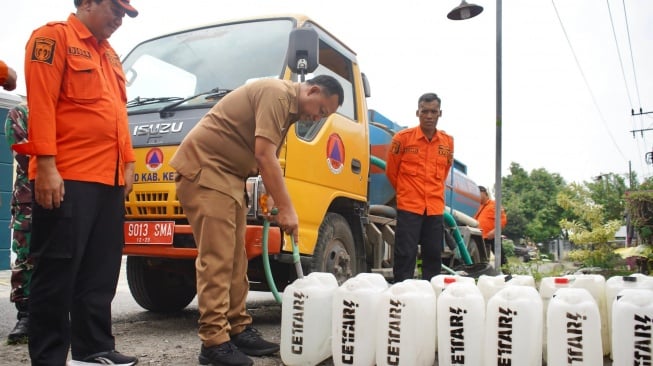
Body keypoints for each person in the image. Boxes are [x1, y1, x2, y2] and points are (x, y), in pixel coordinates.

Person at [169, 74, 344, 366]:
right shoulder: (277, 94)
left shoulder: (289, 109)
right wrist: (288, 210)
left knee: (237, 259)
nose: (316, 118)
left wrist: (273, 197)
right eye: (320, 110)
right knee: (218, 259)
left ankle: (238, 328)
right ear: (312, 90)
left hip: (229, 178)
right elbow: (264, 155)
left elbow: (269, 153)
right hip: (206, 171)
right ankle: (213, 342)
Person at [12, 0, 139, 364]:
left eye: (124, 14)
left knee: (100, 271)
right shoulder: (53, 38)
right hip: (68, 176)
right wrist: (47, 166)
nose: (119, 19)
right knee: (58, 272)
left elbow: (117, 112)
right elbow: (42, 104)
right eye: (114, 9)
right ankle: (50, 356)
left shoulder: (111, 56)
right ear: (87, 3)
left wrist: (128, 161)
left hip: (109, 177)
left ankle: (95, 348)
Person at [386, 92, 454, 283]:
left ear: (440, 113)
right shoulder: (403, 139)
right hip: (409, 208)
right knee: (405, 254)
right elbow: (392, 171)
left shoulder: (447, 143)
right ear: (418, 112)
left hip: (434, 209)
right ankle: (402, 293)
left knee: (433, 255)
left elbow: (446, 169)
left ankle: (430, 297)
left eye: (434, 111)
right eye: (425, 111)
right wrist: (407, 193)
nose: (429, 116)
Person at [5, 104, 33, 345]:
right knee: (25, 257)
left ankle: (57, 314)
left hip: (68, 196)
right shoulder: (22, 112)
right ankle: (25, 316)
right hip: (29, 201)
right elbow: (22, 150)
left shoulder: (67, 111)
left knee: (63, 258)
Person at [474, 185, 508, 267]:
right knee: (481, 260)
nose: (477, 196)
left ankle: (507, 275)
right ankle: (483, 275)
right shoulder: (477, 207)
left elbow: (503, 220)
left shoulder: (494, 204)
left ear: (484, 193)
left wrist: (495, 231)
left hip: (492, 237)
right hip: (480, 238)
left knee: (501, 259)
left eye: (478, 193)